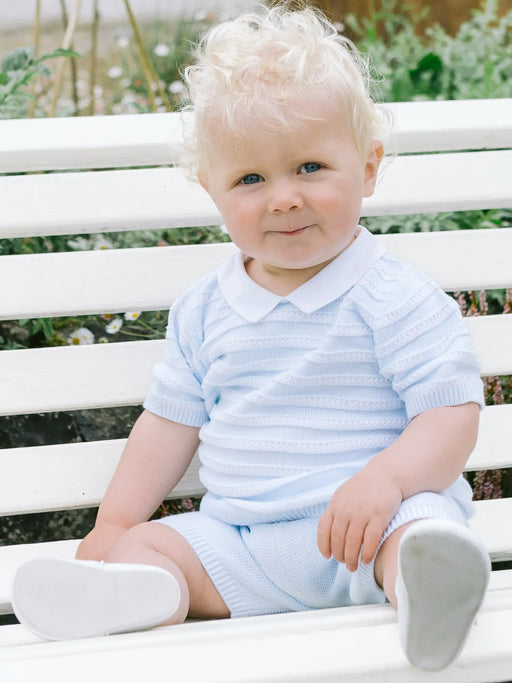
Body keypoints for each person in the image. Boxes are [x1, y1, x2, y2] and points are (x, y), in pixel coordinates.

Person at [12, 3, 490, 671]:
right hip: (240, 544)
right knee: (153, 547)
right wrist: (117, 523)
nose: (284, 197)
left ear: (370, 166)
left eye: (311, 168)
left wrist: (386, 481)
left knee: (424, 525)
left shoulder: (395, 296)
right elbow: (165, 427)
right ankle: (133, 593)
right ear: (212, 190)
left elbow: (450, 416)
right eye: (251, 179)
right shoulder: (205, 311)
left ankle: (424, 590)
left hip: (370, 527)